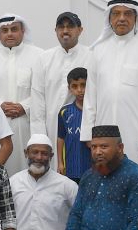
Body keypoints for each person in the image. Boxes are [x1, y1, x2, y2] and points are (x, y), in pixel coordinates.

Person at [81, 0, 138, 182]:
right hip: (105, 133)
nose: (121, 18)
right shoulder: (99, 50)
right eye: (116, 14)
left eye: (127, 14)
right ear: (109, 18)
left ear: (136, 17)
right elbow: (90, 97)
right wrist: (90, 135)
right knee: (109, 180)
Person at [0, 14, 43, 175]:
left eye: (14, 29)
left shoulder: (39, 56)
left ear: (23, 31)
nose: (9, 34)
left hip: (27, 123)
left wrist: (24, 106)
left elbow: (44, 89)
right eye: (5, 30)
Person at [9, 134, 79, 230]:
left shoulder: (67, 185)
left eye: (44, 153)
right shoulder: (13, 182)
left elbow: (80, 215)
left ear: (51, 156)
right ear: (26, 153)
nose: (39, 157)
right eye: (34, 152)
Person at [32, 11, 94, 139]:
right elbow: (37, 100)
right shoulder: (44, 59)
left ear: (80, 30)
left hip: (84, 127)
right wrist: (39, 136)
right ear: (56, 31)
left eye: (70, 26)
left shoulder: (92, 56)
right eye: (61, 27)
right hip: (51, 128)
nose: (65, 31)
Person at [56, 67, 91, 181]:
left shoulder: (97, 110)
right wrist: (60, 163)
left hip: (93, 169)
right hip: (71, 167)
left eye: (83, 85)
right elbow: (60, 138)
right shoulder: (64, 112)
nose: (80, 90)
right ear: (69, 88)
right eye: (75, 86)